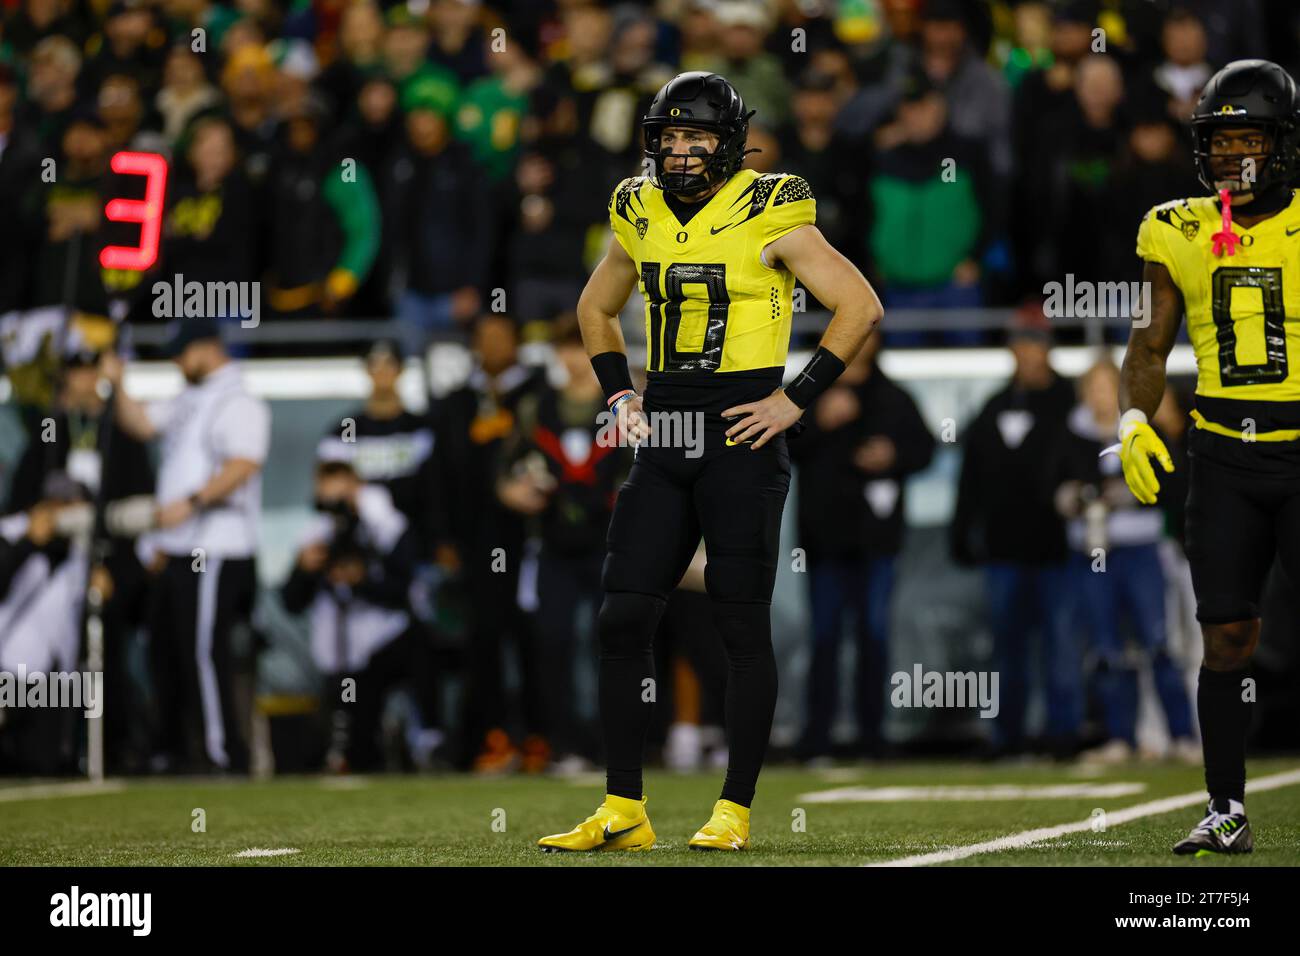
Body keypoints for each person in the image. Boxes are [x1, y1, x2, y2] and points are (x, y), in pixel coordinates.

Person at [537, 72, 881, 852]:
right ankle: (624, 805)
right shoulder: (638, 206)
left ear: (728, 144)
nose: (681, 151)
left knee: (738, 622)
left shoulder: (772, 203)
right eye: (669, 137)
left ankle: (735, 809)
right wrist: (619, 396)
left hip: (742, 436)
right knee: (622, 614)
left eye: (696, 138)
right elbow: (595, 308)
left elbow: (858, 305)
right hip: (665, 435)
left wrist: (797, 398)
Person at [1118, 60, 1300, 855]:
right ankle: (1226, 807)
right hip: (1223, 452)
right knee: (1225, 635)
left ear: (1282, 143)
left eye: (1248, 137)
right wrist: (1132, 419)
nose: (1232, 156)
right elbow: (1149, 340)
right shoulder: (1175, 226)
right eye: (1220, 141)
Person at [99, 317, 271, 773]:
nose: (177, 362)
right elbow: (139, 423)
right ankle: (175, 749)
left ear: (207, 347)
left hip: (217, 545)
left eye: (182, 353)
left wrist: (190, 504)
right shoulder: (189, 398)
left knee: (203, 650)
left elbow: (244, 464)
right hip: (178, 546)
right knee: (168, 649)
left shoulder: (239, 400)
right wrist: (117, 382)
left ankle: (225, 753)